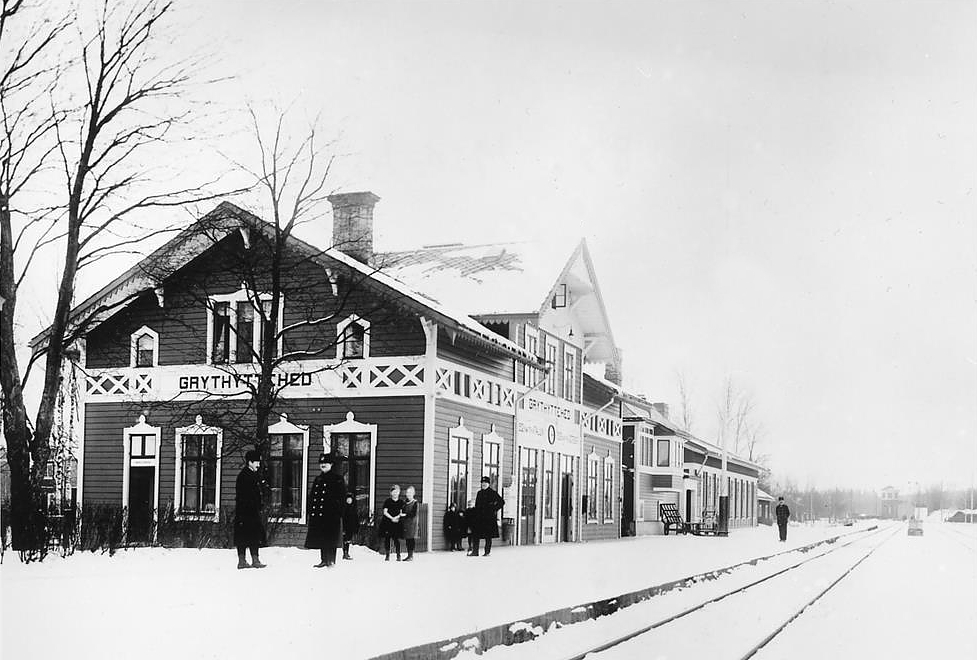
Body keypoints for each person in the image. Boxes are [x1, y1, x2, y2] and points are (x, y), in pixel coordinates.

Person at [305, 453, 346, 568]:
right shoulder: (318, 479)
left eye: (325, 463)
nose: (323, 465)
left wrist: (339, 513)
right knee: (322, 538)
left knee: (331, 538)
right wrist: (310, 511)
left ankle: (331, 560)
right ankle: (323, 560)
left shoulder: (337, 479)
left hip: (331, 515)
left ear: (331, 464)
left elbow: (342, 498)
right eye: (321, 463)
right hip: (319, 515)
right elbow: (312, 497)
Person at [234, 449, 269, 569]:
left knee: (254, 535)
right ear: (249, 462)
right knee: (243, 536)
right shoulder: (244, 476)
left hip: (252, 511)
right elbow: (244, 496)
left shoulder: (254, 475)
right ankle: (242, 561)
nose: (258, 465)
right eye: (256, 462)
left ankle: (255, 559)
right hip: (245, 511)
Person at [470, 476, 504, 557]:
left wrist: (494, 509)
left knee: (488, 536)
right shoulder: (479, 493)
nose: (484, 484)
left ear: (488, 484)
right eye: (482, 483)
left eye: (485, 483)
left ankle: (487, 551)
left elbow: (501, 502)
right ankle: (475, 551)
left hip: (489, 518)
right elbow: (477, 505)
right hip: (479, 518)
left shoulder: (493, 493)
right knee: (476, 534)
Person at [379, 484, 404, 561]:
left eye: (396, 492)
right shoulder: (388, 501)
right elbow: (385, 512)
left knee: (396, 539)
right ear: (391, 493)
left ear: (399, 492)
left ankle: (398, 555)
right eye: (393, 491)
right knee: (387, 539)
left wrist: (396, 517)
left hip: (396, 522)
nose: (395, 493)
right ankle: (387, 555)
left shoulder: (401, 502)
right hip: (387, 522)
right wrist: (391, 518)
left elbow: (402, 512)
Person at [402, 485, 419, 561]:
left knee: (411, 539)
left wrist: (405, 515)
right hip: (406, 524)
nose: (408, 494)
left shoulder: (415, 503)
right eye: (407, 493)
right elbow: (402, 510)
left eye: (410, 493)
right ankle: (408, 555)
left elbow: (413, 514)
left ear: (413, 493)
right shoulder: (405, 503)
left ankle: (411, 555)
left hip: (412, 524)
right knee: (407, 539)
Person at [342, 491, 360, 560]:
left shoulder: (353, 508)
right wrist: (343, 528)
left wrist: (356, 526)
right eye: (348, 499)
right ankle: (345, 553)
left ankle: (347, 552)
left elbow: (356, 518)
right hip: (345, 526)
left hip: (351, 526)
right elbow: (343, 518)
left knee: (349, 539)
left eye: (350, 499)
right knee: (345, 539)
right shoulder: (344, 508)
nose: (349, 500)